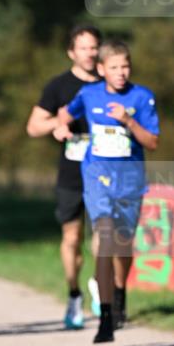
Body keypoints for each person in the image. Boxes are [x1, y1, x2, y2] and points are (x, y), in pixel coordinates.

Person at [55, 40, 160, 343]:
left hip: (130, 179)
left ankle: (119, 291)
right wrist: (63, 128)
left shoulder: (142, 97)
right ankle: (104, 316)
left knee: (123, 244)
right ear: (101, 69)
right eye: (114, 67)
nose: (121, 72)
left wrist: (128, 121)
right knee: (104, 237)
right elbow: (65, 113)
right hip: (96, 177)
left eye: (125, 66)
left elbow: (152, 142)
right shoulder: (89, 93)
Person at [26, 24, 102, 329]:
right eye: (84, 47)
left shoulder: (109, 82)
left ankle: (100, 282)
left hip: (103, 172)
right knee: (71, 238)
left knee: (103, 234)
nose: (90, 53)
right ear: (72, 52)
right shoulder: (58, 86)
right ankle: (74, 293)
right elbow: (33, 127)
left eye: (94, 47)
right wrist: (56, 125)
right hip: (71, 173)